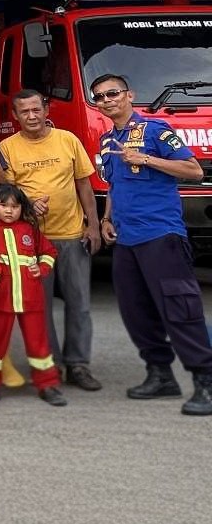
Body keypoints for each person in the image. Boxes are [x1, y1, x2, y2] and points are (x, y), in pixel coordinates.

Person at [91, 72, 212, 414]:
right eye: (99, 97)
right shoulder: (108, 140)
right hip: (126, 238)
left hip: (160, 234)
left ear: (129, 95)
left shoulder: (156, 130)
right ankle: (160, 375)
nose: (107, 100)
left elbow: (193, 170)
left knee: (180, 308)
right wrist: (106, 219)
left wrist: (145, 159)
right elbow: (114, 185)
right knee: (136, 310)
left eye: (112, 93)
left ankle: (206, 379)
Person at [0, 89, 102, 392]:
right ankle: (49, 365)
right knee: (39, 308)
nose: (31, 116)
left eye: (36, 109)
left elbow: (84, 185)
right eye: (24, 112)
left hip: (72, 234)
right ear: (15, 116)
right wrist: (27, 205)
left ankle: (78, 365)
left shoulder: (68, 140)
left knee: (79, 304)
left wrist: (93, 225)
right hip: (31, 242)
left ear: (46, 110)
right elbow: (4, 194)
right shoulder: (7, 147)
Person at [0, 183, 66, 406]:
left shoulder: (29, 229)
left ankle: (47, 385)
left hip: (31, 298)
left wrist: (43, 268)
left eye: (15, 206)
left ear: (22, 208)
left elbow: (48, 252)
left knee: (39, 344)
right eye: (3, 205)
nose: (9, 210)